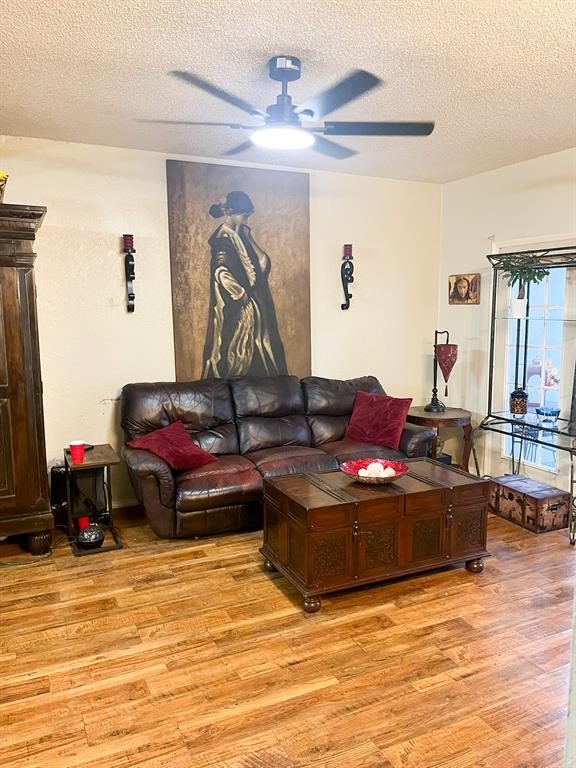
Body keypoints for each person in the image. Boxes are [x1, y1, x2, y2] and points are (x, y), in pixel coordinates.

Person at [202, 191, 288, 377]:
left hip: (255, 305)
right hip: (239, 308)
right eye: (244, 216)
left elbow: (263, 264)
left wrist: (250, 239)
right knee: (236, 353)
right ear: (231, 212)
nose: (247, 220)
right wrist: (240, 294)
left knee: (262, 349)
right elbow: (220, 271)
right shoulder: (224, 238)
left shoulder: (241, 236)